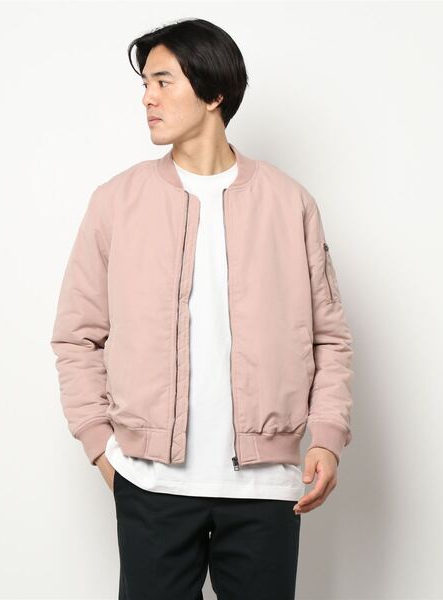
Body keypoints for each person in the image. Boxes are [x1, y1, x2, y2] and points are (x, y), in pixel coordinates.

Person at [50, 17, 354, 600]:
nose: (147, 98)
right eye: (145, 84)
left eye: (163, 81)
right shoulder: (117, 201)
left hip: (266, 489)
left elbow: (329, 338)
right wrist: (102, 449)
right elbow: (76, 335)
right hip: (150, 485)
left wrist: (326, 438)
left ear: (214, 92)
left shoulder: (290, 203)